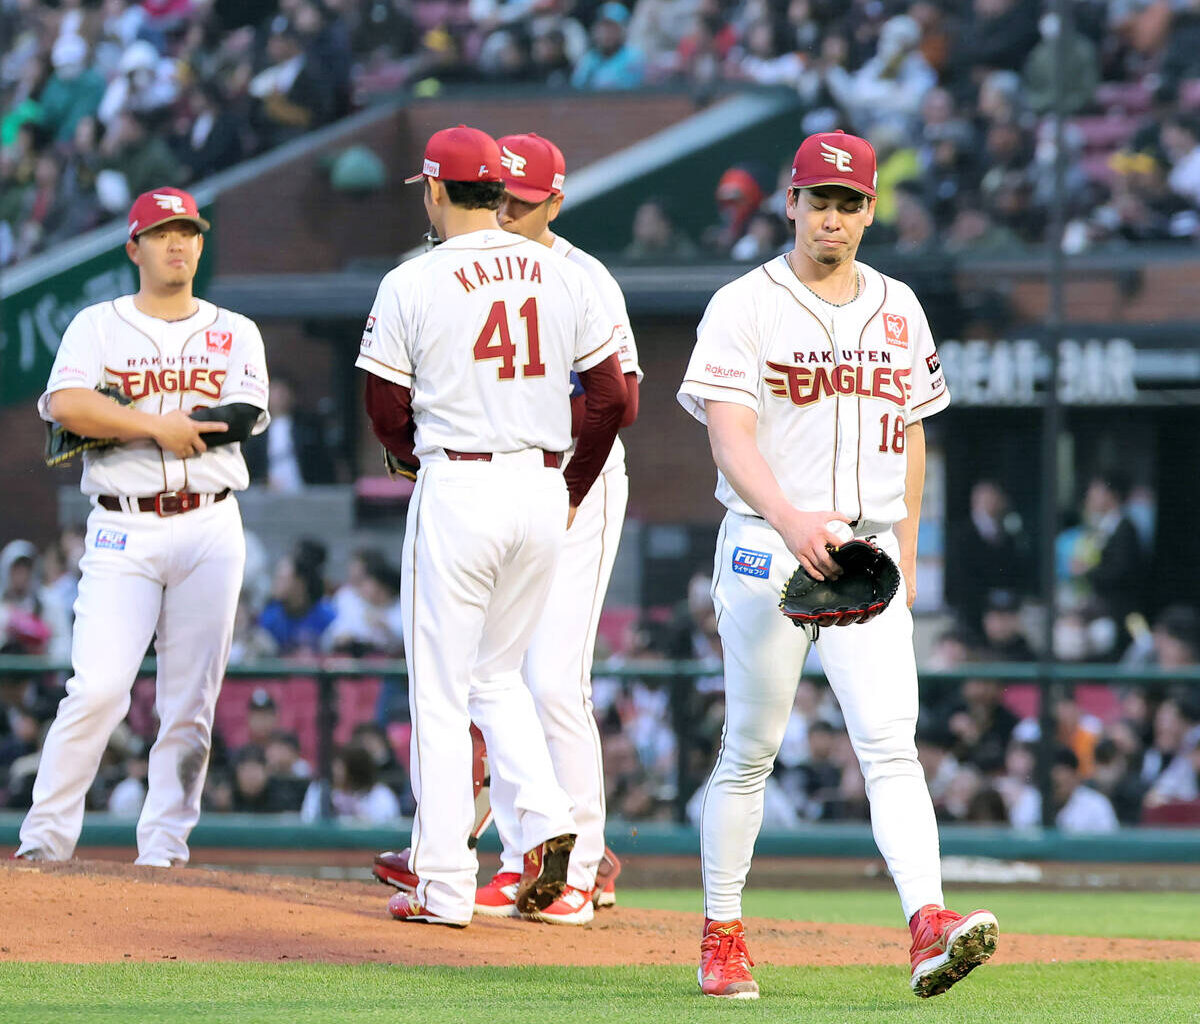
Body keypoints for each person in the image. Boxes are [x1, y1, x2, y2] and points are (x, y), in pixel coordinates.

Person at [677, 130, 997, 1000]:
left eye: (850, 202)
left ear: (870, 208)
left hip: (869, 550)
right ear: (790, 202)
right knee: (751, 749)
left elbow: (916, 437)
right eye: (819, 200)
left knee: (893, 747)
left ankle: (927, 924)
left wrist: (913, 553)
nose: (834, 217)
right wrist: (789, 521)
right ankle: (723, 933)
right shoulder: (745, 303)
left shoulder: (900, 305)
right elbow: (728, 431)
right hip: (763, 541)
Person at [355, 125, 626, 927]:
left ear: (438, 190)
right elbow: (613, 397)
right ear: (498, 192)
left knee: (442, 692)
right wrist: (572, 483)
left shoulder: (414, 279)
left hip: (462, 483)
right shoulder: (563, 272)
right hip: (543, 486)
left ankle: (441, 883)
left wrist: (408, 459)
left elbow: (382, 406)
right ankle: (547, 820)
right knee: (496, 676)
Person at [14, 186, 269, 866]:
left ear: (201, 244)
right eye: (161, 233)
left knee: (190, 703)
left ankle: (164, 850)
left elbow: (241, 417)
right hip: (122, 528)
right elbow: (65, 404)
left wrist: (118, 420)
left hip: (211, 524)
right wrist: (156, 422)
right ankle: (43, 842)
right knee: (95, 687)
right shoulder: (97, 324)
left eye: (188, 231)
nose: (177, 243)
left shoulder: (235, 329)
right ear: (134, 247)